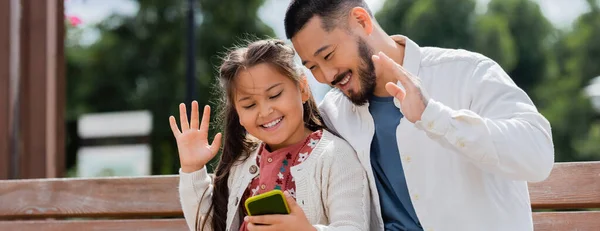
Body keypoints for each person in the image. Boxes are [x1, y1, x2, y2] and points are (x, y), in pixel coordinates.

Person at [283, 1, 555, 230]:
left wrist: (434, 116)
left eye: (328, 55)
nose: (327, 76)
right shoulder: (333, 114)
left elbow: (538, 156)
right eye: (312, 67)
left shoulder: (466, 73)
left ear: (361, 20)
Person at [171, 39, 373, 231]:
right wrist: (193, 168)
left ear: (303, 89)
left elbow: (353, 226)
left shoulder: (336, 157)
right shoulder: (242, 164)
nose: (265, 111)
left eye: (275, 95)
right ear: (238, 114)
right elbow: (209, 227)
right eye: (249, 105)